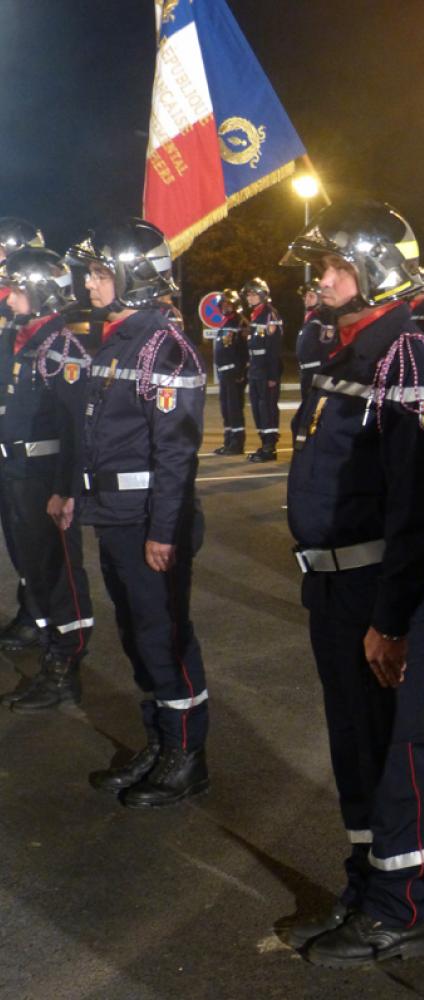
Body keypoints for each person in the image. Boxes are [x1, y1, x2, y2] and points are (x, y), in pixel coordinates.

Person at [279, 197, 424, 968]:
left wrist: (395, 616)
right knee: (354, 745)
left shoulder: (407, 354)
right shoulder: (348, 350)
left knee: (391, 748)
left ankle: (401, 906)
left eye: (332, 266)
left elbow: (419, 507)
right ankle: (366, 886)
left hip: (379, 590)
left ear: (375, 270)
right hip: (334, 584)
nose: (318, 280)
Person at [65, 219, 209, 808]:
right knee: (136, 637)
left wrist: (162, 530)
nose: (90, 282)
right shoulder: (117, 341)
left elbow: (176, 452)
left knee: (165, 638)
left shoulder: (166, 348)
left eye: (102, 272)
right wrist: (80, 491)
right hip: (116, 515)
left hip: (148, 521)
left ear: (135, 278)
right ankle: (158, 741)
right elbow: (98, 432)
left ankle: (187, 755)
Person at [0, 248, 93, 711]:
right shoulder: (19, 339)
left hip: (43, 478)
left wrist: (65, 489)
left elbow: (76, 427)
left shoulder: (61, 347)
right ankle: (48, 648)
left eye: (16, 287)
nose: (8, 296)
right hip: (15, 473)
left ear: (40, 290)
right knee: (32, 571)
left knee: (60, 576)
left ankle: (65, 666)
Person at [0, 217, 47, 653]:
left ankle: (40, 614)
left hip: (32, 450)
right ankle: (31, 608)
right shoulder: (12, 315)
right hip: (9, 442)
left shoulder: (39, 318)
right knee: (17, 533)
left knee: (31, 536)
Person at [243, 276, 283, 462]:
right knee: (258, 409)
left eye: (252, 294)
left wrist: (273, 375)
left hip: (266, 371)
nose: (249, 298)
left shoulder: (270, 315)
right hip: (256, 370)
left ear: (262, 295)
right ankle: (264, 443)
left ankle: (270, 448)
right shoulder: (256, 315)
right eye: (248, 295)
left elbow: (273, 347)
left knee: (267, 408)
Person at [211, 288, 248, 455]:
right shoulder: (226, 323)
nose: (226, 307)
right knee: (226, 409)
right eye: (223, 304)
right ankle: (228, 441)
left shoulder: (241, 323)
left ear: (236, 305)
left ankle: (237, 443)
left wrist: (241, 373)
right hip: (224, 373)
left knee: (234, 409)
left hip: (234, 373)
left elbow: (245, 350)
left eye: (229, 304)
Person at [295, 277, 332, 399]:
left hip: (316, 372)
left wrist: (322, 373)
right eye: (305, 296)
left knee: (313, 411)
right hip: (306, 372)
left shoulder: (324, 318)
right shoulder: (310, 317)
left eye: (311, 296)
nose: (306, 299)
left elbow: (326, 346)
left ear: (320, 298)